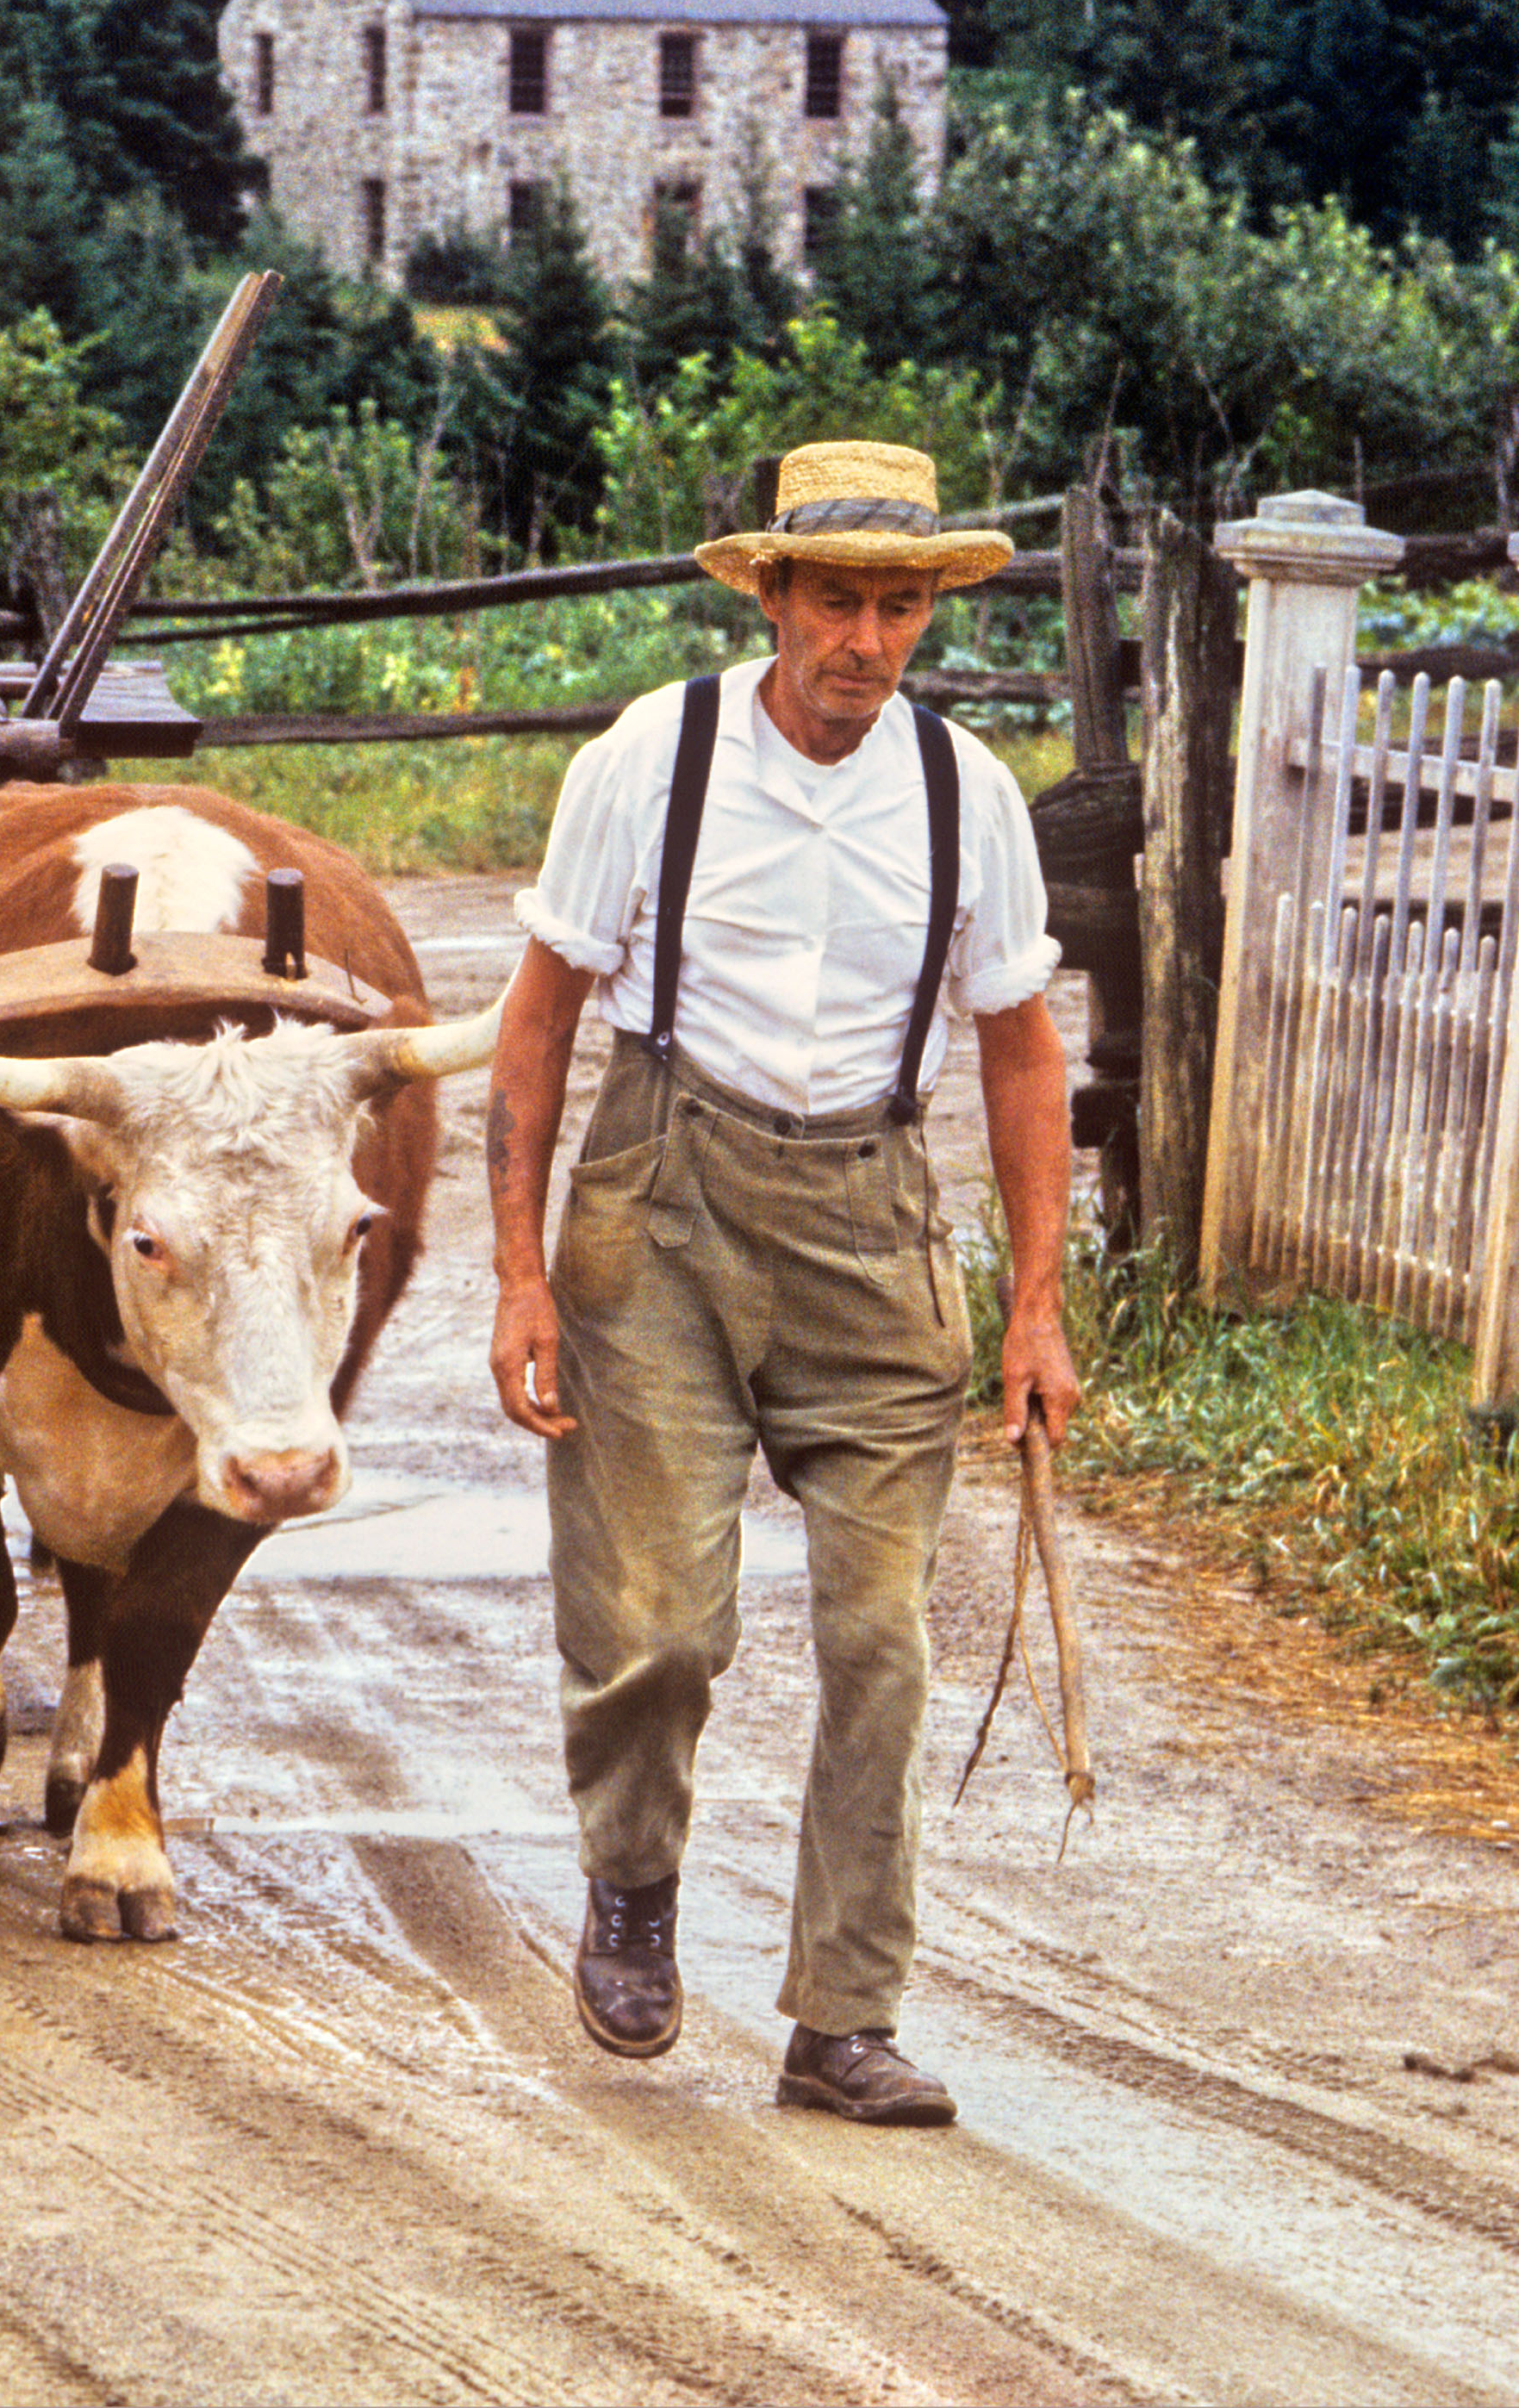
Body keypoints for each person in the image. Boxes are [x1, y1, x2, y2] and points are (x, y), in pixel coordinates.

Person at [479, 439, 1080, 2131]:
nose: (866, 638)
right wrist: (520, 1272)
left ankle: (844, 2013)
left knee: (883, 1636)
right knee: (662, 1619)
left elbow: (1021, 1051)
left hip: (875, 1221)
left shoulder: (968, 794)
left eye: (902, 605)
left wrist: (1036, 1301)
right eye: (838, 598)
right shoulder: (647, 759)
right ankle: (634, 1882)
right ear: (769, 591)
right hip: (660, 1193)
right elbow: (536, 1021)